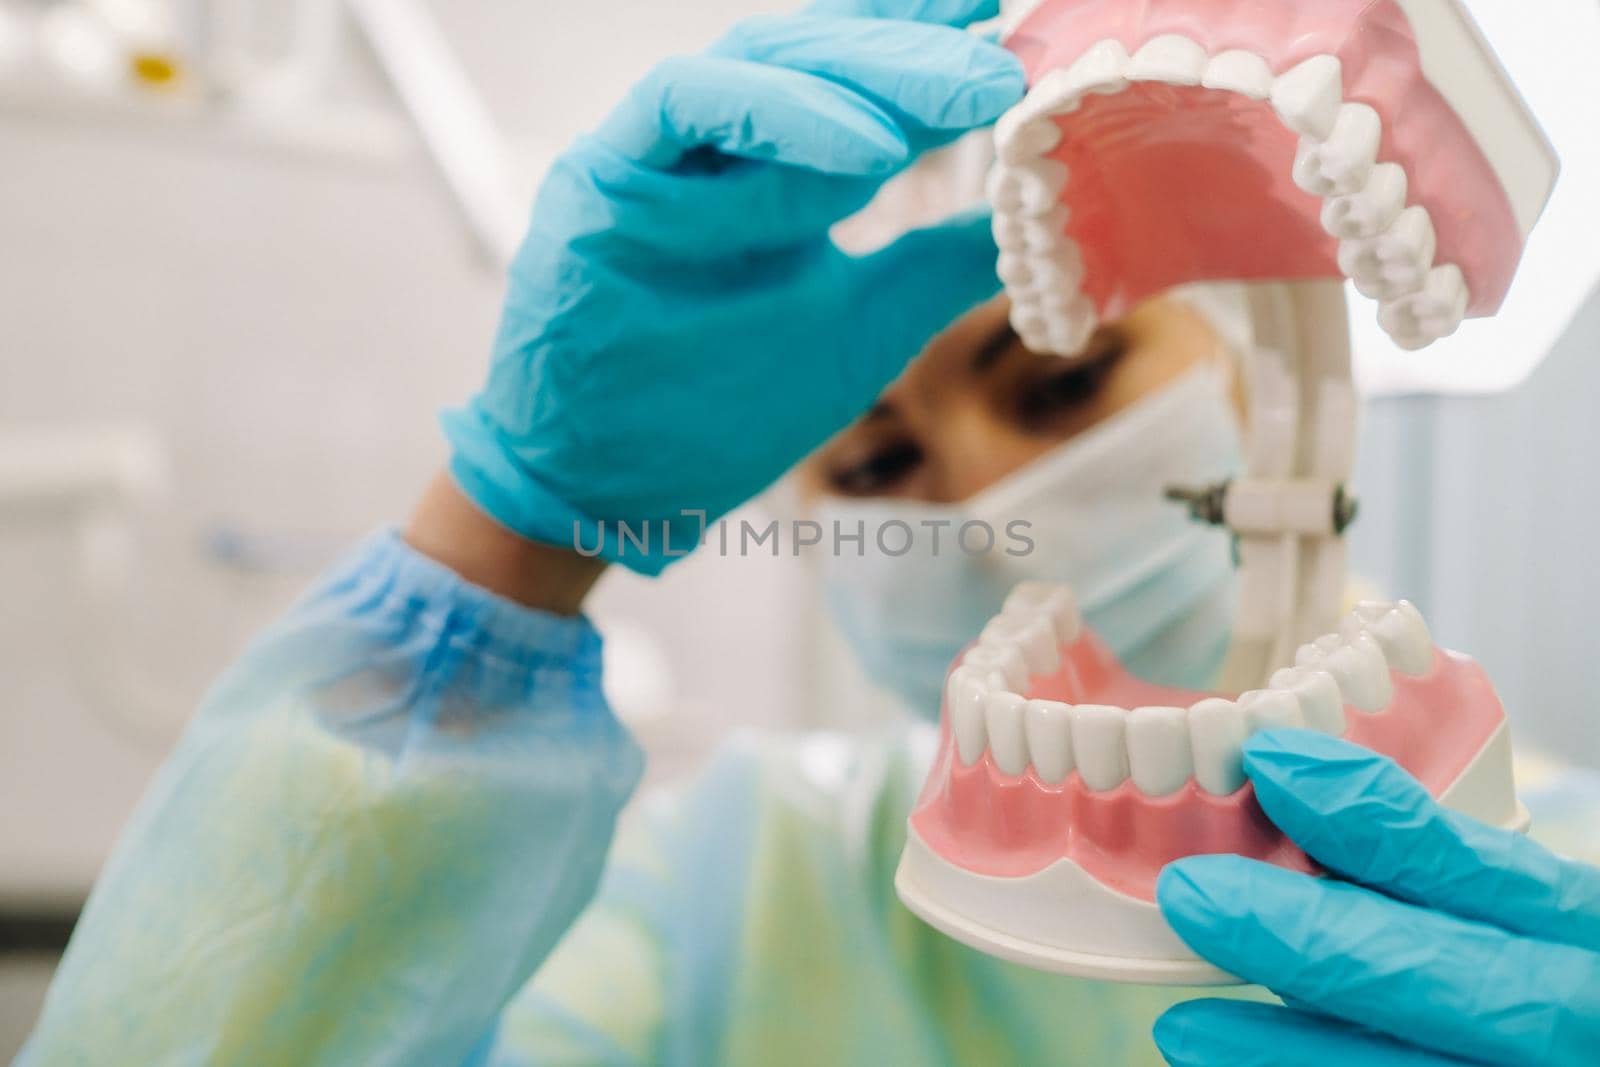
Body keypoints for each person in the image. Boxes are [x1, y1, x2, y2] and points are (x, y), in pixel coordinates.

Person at [19, 2, 1600, 1065]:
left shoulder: (1570, 923)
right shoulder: (731, 884)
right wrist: (517, 532)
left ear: (1270, 394)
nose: (982, 500)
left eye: (1062, 383)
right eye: (876, 460)